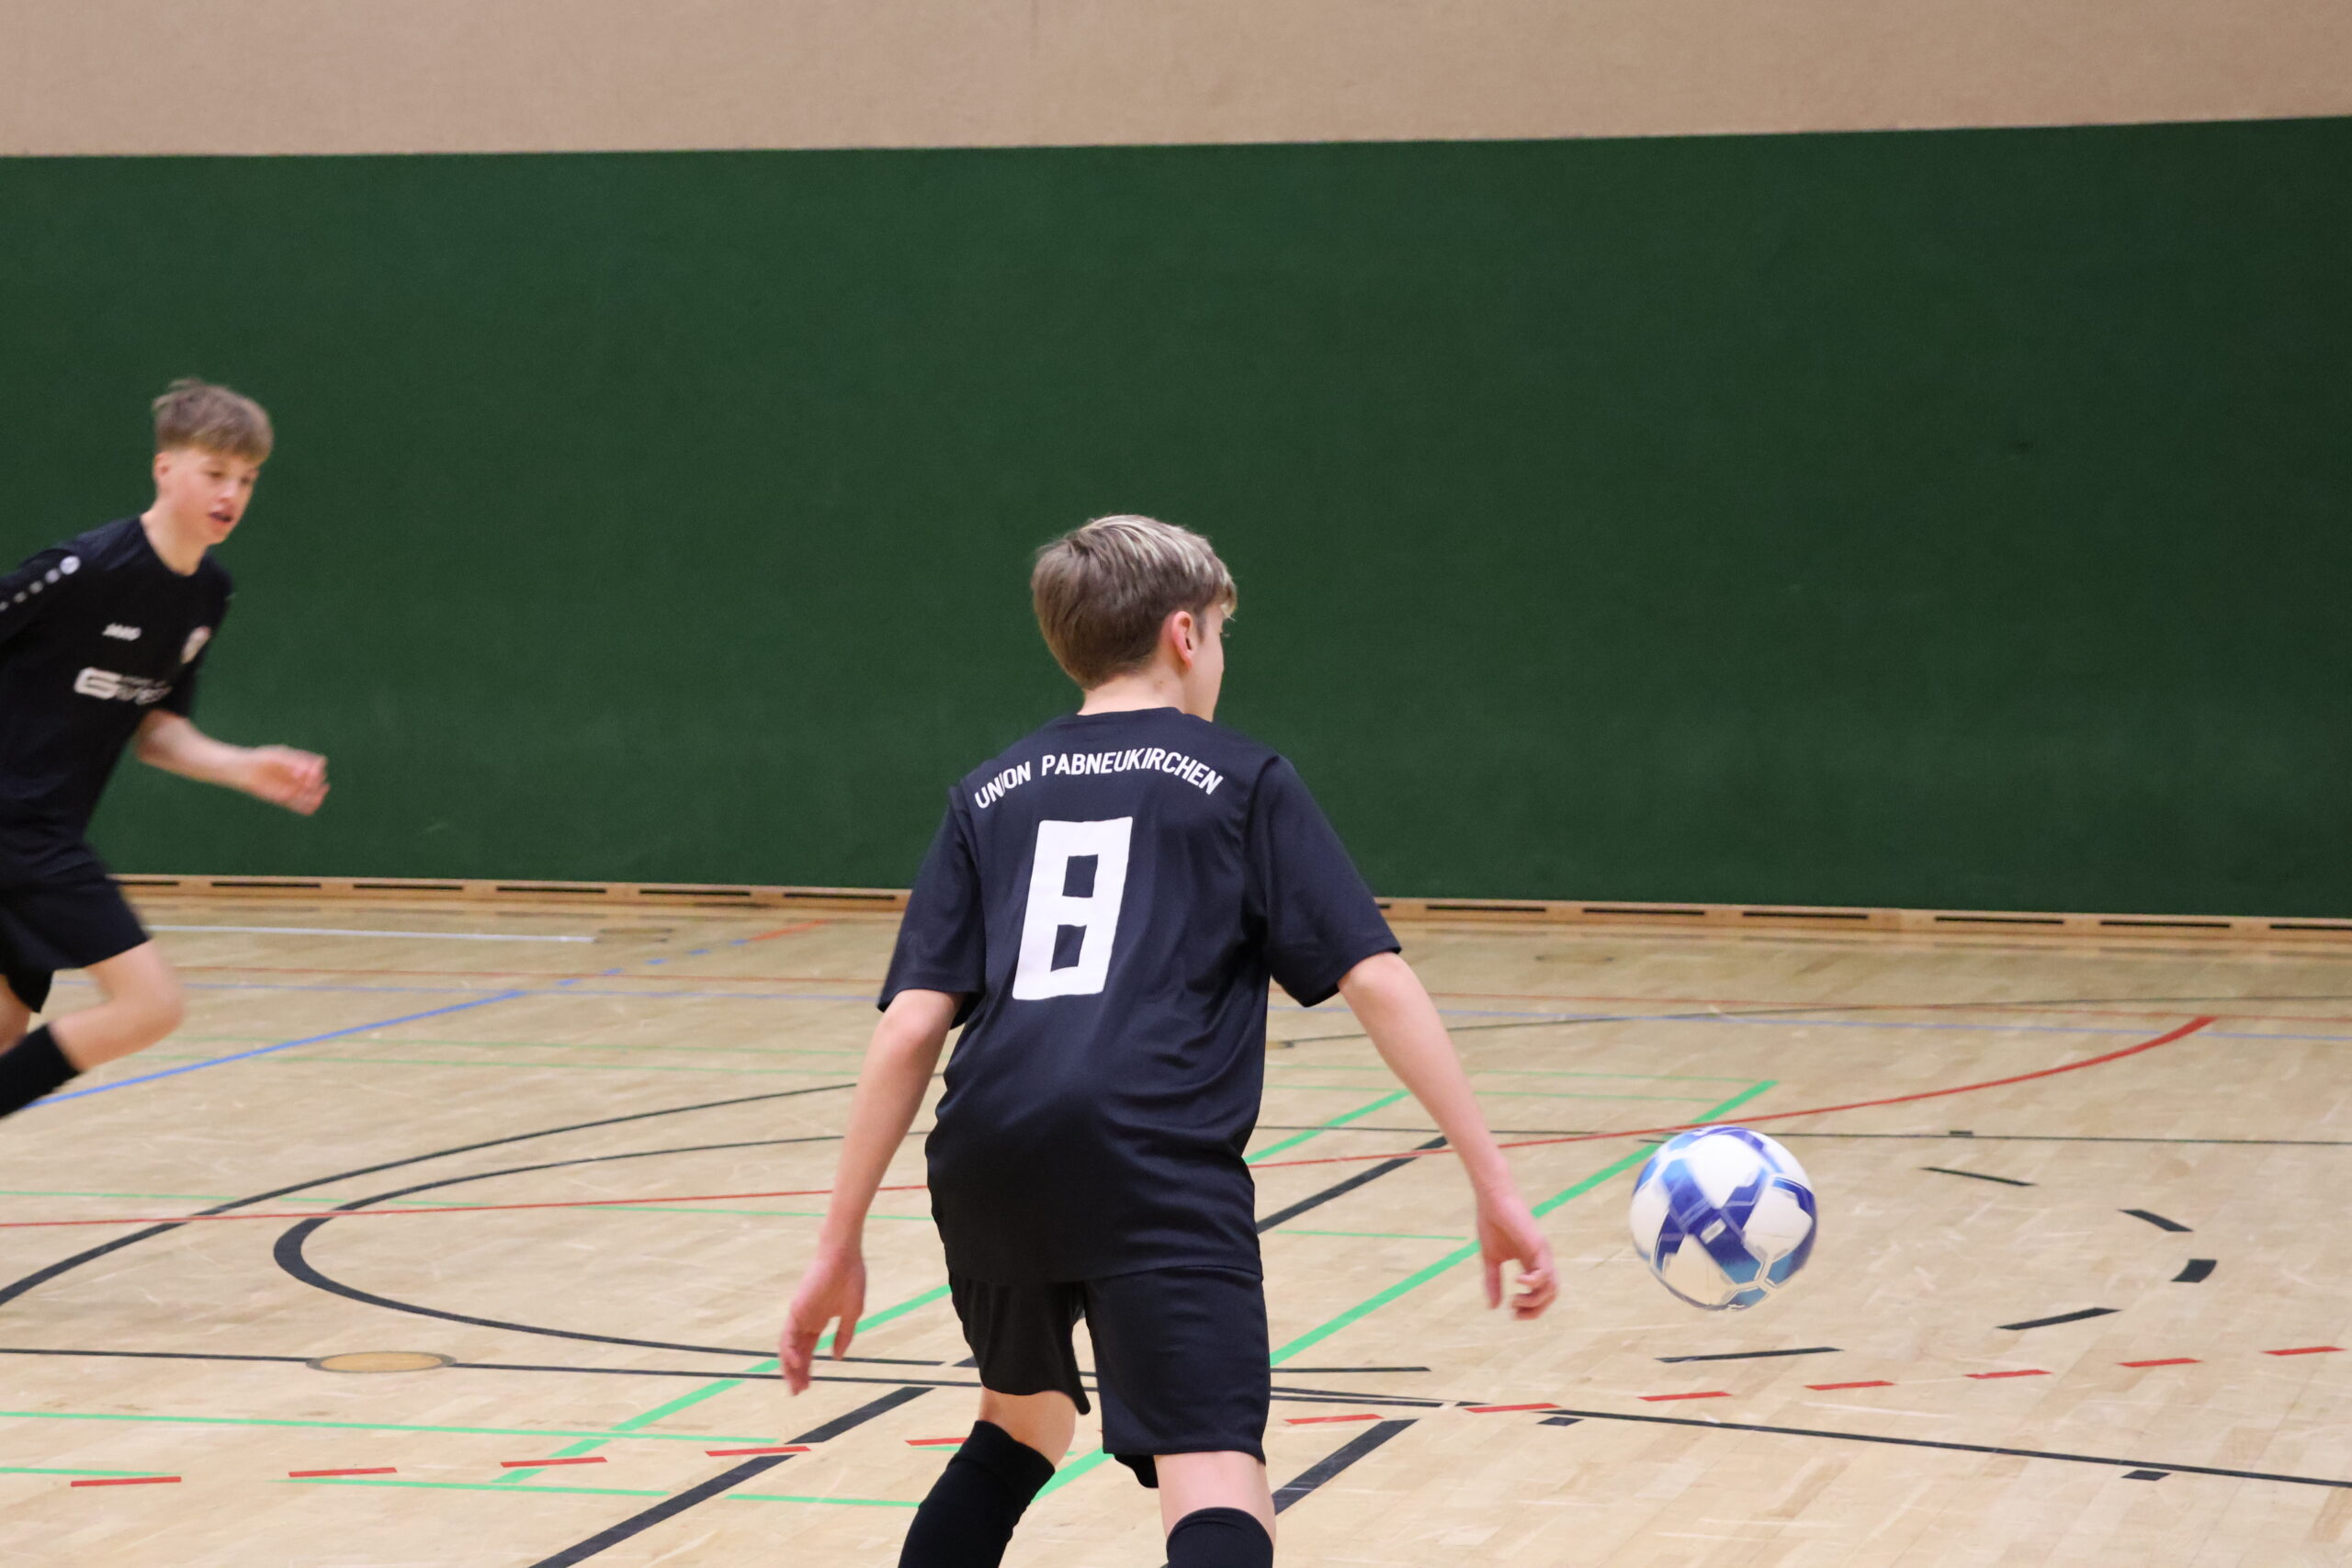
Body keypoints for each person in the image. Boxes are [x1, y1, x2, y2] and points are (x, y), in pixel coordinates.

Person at [781, 514, 1555, 1566]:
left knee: (1019, 1422)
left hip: (987, 1150)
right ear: (1184, 635)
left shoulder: (987, 792)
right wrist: (1493, 1182)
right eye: (1222, 636)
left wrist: (837, 1243)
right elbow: (1373, 975)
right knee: (1214, 1471)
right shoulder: (1241, 780)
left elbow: (912, 1023)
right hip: (1149, 1149)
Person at [0, 378, 328, 1116]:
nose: (231, 493)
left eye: (247, 479)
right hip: (20, 830)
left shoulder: (207, 593)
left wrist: (244, 766)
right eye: (215, 472)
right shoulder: (83, 568)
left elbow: (156, 729)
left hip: (45, 828)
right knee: (150, 1005)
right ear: (165, 468)